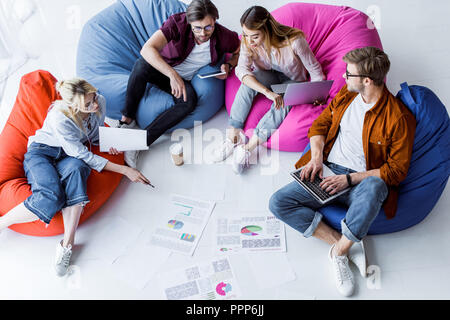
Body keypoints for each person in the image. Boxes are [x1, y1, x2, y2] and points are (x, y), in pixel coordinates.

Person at [269, 47, 416, 297]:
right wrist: (316, 158)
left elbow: (396, 171)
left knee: (377, 187)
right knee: (278, 203)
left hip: (360, 181)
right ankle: (345, 243)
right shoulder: (346, 97)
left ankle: (338, 255)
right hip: (327, 171)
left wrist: (348, 179)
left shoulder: (398, 118)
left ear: (367, 80)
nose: (344, 78)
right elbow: (319, 126)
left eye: (349, 74)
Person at [0, 78, 151, 277]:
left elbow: (93, 134)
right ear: (72, 105)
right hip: (43, 153)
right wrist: (124, 170)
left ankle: (67, 243)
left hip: (68, 155)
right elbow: (82, 153)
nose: (95, 104)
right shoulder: (59, 117)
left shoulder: (100, 102)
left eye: (94, 97)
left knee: (79, 170)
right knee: (52, 197)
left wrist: (109, 141)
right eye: (88, 104)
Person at [107, 0, 240, 168]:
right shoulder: (177, 23)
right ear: (190, 22)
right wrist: (172, 74)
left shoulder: (223, 36)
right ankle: (126, 121)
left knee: (189, 102)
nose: (203, 33)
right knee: (141, 65)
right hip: (164, 70)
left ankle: (139, 142)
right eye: (197, 28)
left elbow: (238, 50)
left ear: (215, 20)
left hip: (185, 80)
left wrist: (229, 65)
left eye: (208, 27)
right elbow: (147, 49)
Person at [211, 5, 325, 174]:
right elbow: (241, 69)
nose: (249, 41)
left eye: (255, 36)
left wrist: (318, 93)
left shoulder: (295, 41)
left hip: (292, 81)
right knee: (247, 83)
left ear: (268, 29)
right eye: (246, 35)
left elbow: (316, 71)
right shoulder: (247, 42)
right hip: (268, 77)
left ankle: (248, 148)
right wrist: (266, 92)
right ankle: (233, 136)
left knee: (283, 99)